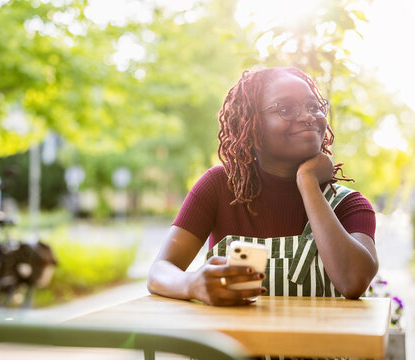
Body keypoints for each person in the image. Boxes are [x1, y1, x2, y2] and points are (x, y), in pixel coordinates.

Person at [147, 66, 378, 307]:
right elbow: (159, 272)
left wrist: (307, 182)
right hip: (232, 345)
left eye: (314, 107)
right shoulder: (219, 186)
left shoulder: (349, 205)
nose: (308, 116)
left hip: (318, 345)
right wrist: (191, 283)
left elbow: (353, 281)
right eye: (286, 109)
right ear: (252, 124)